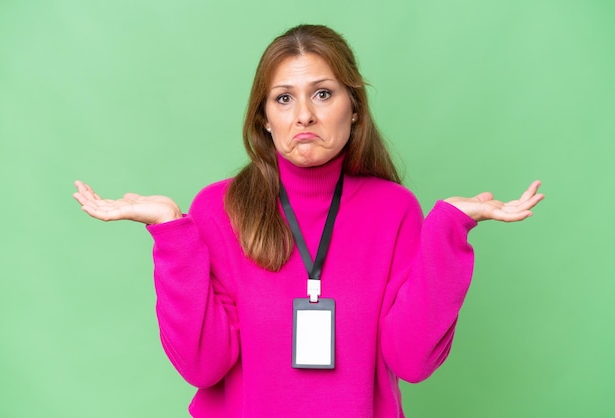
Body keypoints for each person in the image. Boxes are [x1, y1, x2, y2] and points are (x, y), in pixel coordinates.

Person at [73, 24, 543, 418]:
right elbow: (203, 366)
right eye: (283, 98)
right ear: (263, 119)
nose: (303, 115)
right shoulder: (219, 209)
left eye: (322, 93)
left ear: (354, 108)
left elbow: (411, 359)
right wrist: (173, 231)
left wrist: (449, 228)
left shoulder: (394, 209)